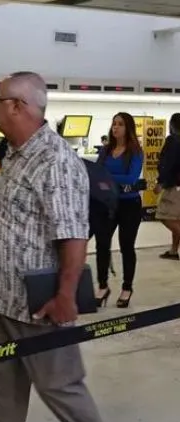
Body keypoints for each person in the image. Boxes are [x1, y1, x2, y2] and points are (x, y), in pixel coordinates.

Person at [0, 72, 131, 422]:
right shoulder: (14, 154)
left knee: (60, 387)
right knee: (1, 389)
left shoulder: (55, 160)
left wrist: (66, 294)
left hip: (38, 304)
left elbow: (72, 234)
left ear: (19, 106)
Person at [92, 112, 144, 308]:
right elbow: (97, 174)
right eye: (114, 124)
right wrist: (111, 178)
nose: (116, 128)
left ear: (128, 128)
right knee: (102, 243)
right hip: (108, 203)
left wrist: (108, 177)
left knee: (126, 246)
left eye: (120, 124)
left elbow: (131, 179)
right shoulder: (105, 151)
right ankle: (103, 285)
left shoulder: (135, 152)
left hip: (129, 205)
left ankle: (127, 287)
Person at [155, 112, 180, 260]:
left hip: (174, 186)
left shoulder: (173, 140)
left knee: (164, 216)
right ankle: (173, 251)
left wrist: (160, 182)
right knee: (177, 219)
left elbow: (167, 164)